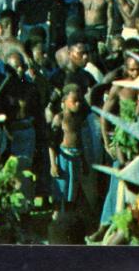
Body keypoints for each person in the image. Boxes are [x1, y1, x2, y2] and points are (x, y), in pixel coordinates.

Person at [49, 83, 88, 216]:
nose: (78, 104)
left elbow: (80, 141)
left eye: (79, 101)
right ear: (64, 101)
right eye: (74, 101)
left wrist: (84, 161)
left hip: (76, 159)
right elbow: (52, 144)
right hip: (62, 159)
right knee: (60, 191)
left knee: (72, 193)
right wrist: (53, 164)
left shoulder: (78, 119)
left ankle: (68, 222)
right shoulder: (59, 118)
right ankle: (56, 220)